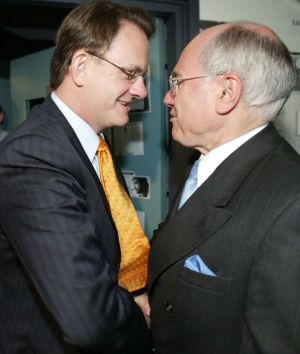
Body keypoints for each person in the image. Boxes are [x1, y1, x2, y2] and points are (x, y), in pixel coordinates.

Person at [0, 1, 155, 353]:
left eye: (143, 77)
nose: (142, 90)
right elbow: (88, 320)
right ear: (81, 67)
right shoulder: (36, 155)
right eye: (130, 74)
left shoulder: (92, 143)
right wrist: (139, 317)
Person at [148, 21, 300, 354]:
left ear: (226, 92)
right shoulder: (205, 162)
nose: (166, 97)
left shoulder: (291, 202)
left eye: (177, 82)